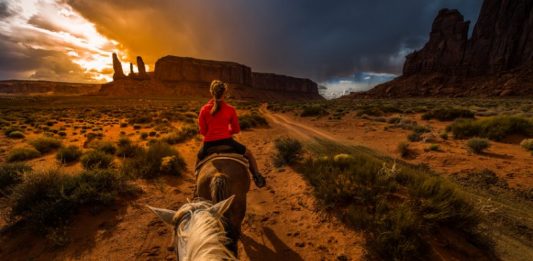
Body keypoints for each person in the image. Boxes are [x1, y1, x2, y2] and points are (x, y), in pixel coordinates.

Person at [196, 80, 266, 188]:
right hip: (227, 141)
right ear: (225, 93)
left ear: (211, 92)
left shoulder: (204, 109)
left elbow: (203, 131)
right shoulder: (230, 109)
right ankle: (257, 177)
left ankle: (196, 187)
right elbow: (236, 129)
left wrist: (212, 133)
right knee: (249, 154)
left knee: (198, 160)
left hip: (209, 144)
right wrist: (226, 132)